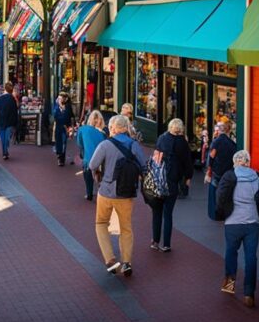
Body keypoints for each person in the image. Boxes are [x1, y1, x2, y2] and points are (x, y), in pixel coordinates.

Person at [88, 115, 148, 277]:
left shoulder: (105, 144)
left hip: (106, 191)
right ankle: (127, 262)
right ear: (126, 128)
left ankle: (110, 259)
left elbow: (92, 165)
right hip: (127, 193)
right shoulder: (134, 145)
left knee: (101, 223)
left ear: (113, 128)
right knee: (126, 228)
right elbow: (144, 166)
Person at [217, 150, 259, 308]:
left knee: (231, 252)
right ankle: (249, 294)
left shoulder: (229, 176)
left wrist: (223, 214)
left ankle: (229, 285)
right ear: (248, 162)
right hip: (251, 222)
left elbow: (221, 197)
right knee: (251, 257)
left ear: (235, 162)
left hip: (233, 221)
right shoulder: (258, 178)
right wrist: (257, 216)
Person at [151, 119, 194, 252]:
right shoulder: (182, 143)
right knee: (168, 213)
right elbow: (188, 163)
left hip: (159, 180)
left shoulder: (161, 139)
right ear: (181, 129)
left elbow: (155, 157)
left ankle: (155, 241)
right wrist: (187, 178)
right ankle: (167, 244)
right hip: (172, 182)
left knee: (156, 212)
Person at [206, 122, 237, 220]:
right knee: (226, 194)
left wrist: (209, 170)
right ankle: (225, 214)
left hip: (217, 171)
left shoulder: (216, 142)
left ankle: (215, 214)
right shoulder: (232, 143)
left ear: (219, 130)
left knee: (213, 193)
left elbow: (211, 157)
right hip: (228, 172)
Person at [76, 111, 107, 201]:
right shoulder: (103, 133)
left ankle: (89, 193)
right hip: (101, 158)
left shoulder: (82, 129)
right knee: (101, 175)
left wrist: (83, 150)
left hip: (88, 157)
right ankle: (102, 192)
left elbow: (79, 143)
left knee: (87, 173)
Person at [0, 82, 19, 160]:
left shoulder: (0, 98)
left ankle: (4, 152)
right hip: (9, 121)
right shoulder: (12, 99)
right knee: (7, 137)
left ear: (5, 88)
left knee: (3, 136)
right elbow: (15, 111)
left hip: (1, 120)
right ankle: (5, 151)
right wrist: (15, 122)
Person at [52, 93, 75, 166]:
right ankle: (59, 157)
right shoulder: (56, 107)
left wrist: (72, 126)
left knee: (64, 142)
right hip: (58, 127)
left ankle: (62, 159)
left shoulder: (67, 107)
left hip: (65, 127)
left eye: (60, 98)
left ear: (65, 99)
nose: (59, 100)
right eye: (58, 98)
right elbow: (55, 115)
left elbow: (69, 116)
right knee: (58, 142)